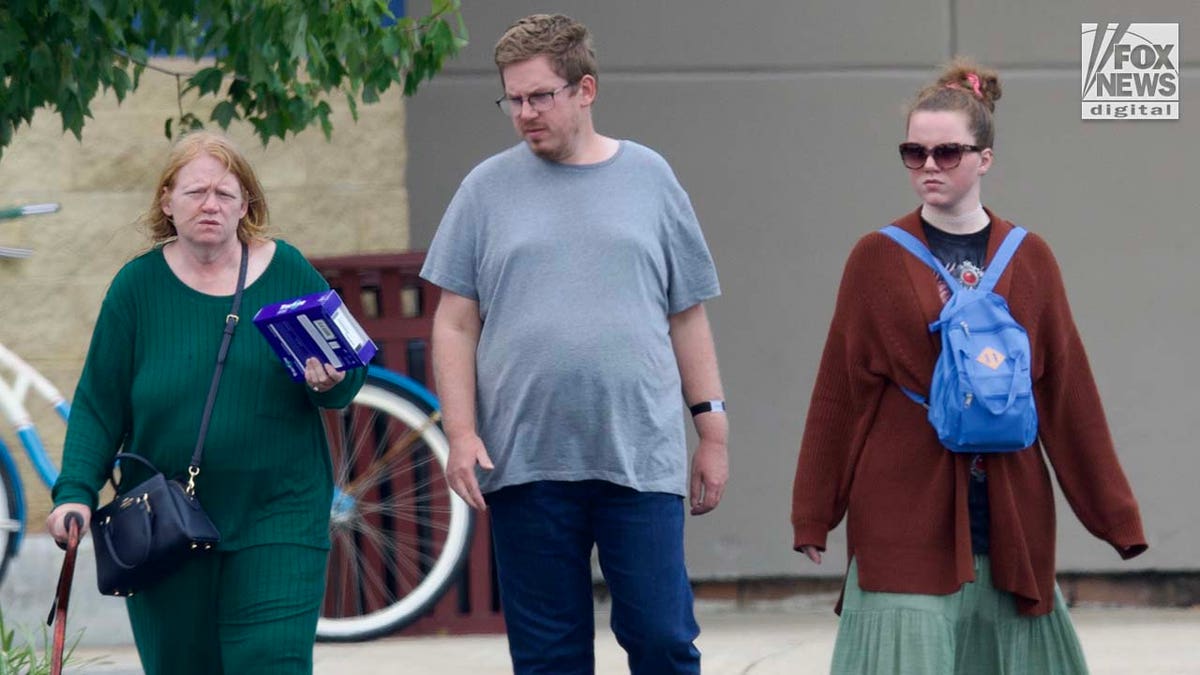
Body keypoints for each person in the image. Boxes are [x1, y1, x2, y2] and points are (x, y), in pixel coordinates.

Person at [790, 59, 1148, 674]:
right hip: (903, 503)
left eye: (947, 152)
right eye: (914, 152)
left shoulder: (1030, 258)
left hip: (1010, 508)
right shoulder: (875, 258)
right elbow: (840, 391)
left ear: (985, 158)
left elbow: (1066, 390)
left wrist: (1115, 515)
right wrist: (814, 511)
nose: (928, 166)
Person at [420, 13, 728, 675]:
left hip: (639, 455)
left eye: (540, 96)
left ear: (585, 89)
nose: (524, 113)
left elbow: (686, 315)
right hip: (524, 461)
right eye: (513, 99)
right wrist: (462, 432)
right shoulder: (484, 190)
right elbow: (453, 322)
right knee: (549, 657)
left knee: (662, 640)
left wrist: (713, 429)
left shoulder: (650, 177)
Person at [45, 131, 366, 675]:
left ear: (246, 205)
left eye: (224, 193)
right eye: (195, 192)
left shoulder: (286, 270)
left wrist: (328, 382)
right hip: (164, 524)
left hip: (278, 511)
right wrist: (75, 492)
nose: (210, 205)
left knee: (270, 661)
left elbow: (347, 372)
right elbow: (100, 405)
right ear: (167, 202)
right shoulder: (137, 287)